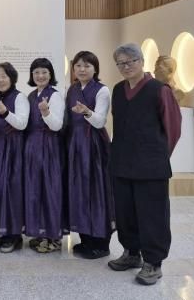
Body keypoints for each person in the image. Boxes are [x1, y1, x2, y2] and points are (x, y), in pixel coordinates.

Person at [108, 43, 182, 285]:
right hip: (122, 163)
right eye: (121, 63)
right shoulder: (118, 90)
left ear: (141, 61)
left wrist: (158, 156)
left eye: (131, 61)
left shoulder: (159, 90)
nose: (126, 66)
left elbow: (173, 128)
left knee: (152, 215)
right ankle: (131, 253)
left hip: (151, 166)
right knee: (125, 212)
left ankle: (153, 262)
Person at [63, 51, 115, 259]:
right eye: (78, 66)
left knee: (96, 189)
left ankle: (101, 243)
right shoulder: (72, 89)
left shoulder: (102, 90)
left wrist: (86, 111)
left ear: (95, 69)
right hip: (74, 143)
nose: (82, 70)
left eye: (87, 66)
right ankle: (85, 239)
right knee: (78, 189)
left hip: (93, 144)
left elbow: (100, 121)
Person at [23, 58, 64, 254]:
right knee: (35, 189)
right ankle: (40, 233)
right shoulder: (31, 95)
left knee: (50, 188)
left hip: (48, 145)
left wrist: (46, 111)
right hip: (32, 145)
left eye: (44, 72)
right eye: (36, 72)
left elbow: (57, 125)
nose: (40, 76)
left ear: (50, 75)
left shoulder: (55, 95)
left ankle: (53, 237)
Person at [0, 62, 29, 253]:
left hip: (14, 147)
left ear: (12, 77)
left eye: (4, 76)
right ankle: (4, 231)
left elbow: (22, 124)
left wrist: (5, 113)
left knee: (13, 189)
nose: (0, 80)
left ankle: (14, 234)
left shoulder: (20, 97)